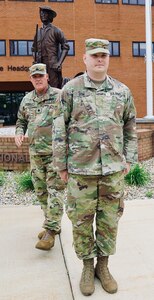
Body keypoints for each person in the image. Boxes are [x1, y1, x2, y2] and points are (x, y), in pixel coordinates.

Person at [52, 38, 138, 296]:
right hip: (81, 172)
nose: (99, 59)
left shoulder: (122, 91)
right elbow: (59, 129)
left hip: (112, 170)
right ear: (85, 59)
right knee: (80, 221)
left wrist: (129, 159)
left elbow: (130, 128)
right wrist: (61, 165)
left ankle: (104, 266)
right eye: (95, 55)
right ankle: (87, 267)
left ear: (107, 59)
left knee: (109, 221)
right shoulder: (71, 90)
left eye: (104, 55)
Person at [15, 63, 65, 251]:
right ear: (30, 79)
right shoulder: (27, 99)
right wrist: (19, 132)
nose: (37, 79)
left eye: (40, 75)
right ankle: (52, 223)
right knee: (41, 192)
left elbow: (70, 119)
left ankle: (50, 232)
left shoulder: (59, 96)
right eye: (34, 76)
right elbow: (20, 120)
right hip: (35, 153)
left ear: (47, 77)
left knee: (55, 191)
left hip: (55, 153)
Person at [32, 6, 70, 89]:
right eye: (41, 14)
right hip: (41, 64)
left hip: (53, 64)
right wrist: (35, 60)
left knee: (54, 88)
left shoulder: (56, 30)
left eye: (45, 14)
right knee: (42, 87)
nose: (42, 16)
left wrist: (59, 63)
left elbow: (66, 47)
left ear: (50, 16)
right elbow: (34, 49)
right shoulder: (38, 32)